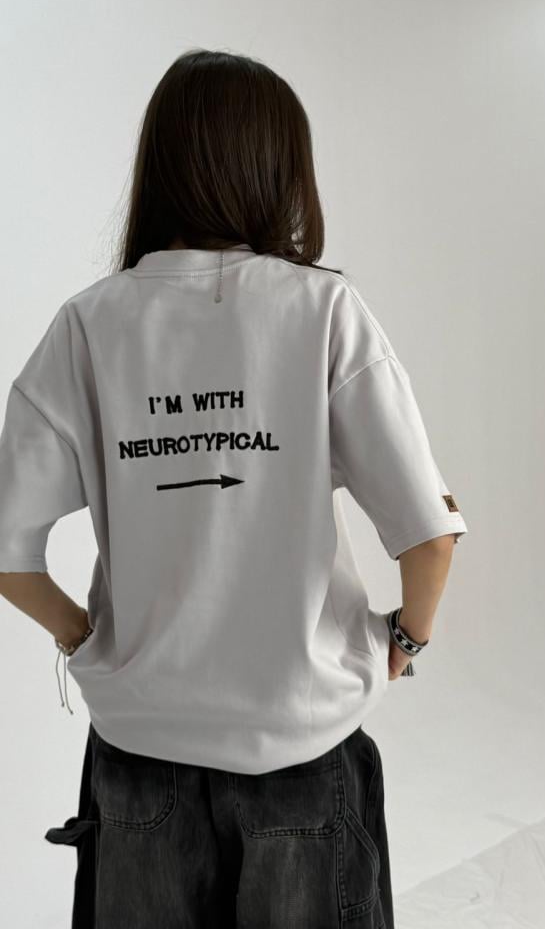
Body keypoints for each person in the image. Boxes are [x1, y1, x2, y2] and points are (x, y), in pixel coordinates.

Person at [0, 48, 468, 929]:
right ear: (279, 169)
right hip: (302, 753)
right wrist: (407, 638)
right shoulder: (322, 311)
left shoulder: (88, 325)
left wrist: (82, 636)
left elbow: (7, 553)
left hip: (138, 759)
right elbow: (430, 536)